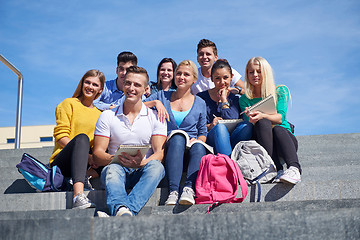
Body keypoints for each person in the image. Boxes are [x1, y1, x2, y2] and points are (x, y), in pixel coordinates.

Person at [93, 66, 167, 217]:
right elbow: (97, 154)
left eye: (137, 85)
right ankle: (123, 210)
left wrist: (140, 163)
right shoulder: (107, 115)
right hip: (116, 169)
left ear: (146, 89)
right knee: (112, 170)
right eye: (128, 83)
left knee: (157, 167)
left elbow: (159, 153)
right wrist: (117, 159)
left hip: (142, 170)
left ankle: (124, 211)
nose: (131, 88)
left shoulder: (156, 117)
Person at [145, 60, 207, 206]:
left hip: (191, 149)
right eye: (178, 73)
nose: (181, 77)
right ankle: (173, 191)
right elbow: (136, 105)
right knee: (178, 137)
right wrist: (155, 103)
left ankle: (188, 189)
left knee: (199, 146)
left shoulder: (200, 102)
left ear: (194, 80)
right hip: (169, 146)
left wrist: (198, 140)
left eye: (186, 74)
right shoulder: (162, 96)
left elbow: (203, 131)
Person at [239, 57, 302, 184]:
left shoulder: (280, 91)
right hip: (263, 142)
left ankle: (294, 168)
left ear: (266, 72)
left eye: (259, 71)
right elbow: (251, 126)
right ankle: (275, 169)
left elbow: (280, 118)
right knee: (262, 123)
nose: (255, 75)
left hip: (284, 140)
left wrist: (262, 115)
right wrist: (250, 118)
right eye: (251, 72)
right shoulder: (244, 99)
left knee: (277, 129)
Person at [50, 69, 105, 209]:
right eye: (87, 82)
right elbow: (61, 137)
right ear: (82, 84)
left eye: (94, 85)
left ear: (100, 89)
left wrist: (93, 158)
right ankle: (78, 196)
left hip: (87, 163)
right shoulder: (69, 104)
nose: (90, 87)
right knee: (82, 139)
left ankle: (84, 176)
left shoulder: (101, 114)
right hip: (64, 161)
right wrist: (87, 156)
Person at [198, 59, 253, 156]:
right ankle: (229, 165)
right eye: (217, 78)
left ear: (231, 77)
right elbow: (196, 125)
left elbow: (231, 119)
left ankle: (230, 158)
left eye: (225, 78)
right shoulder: (201, 98)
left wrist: (224, 100)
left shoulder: (235, 99)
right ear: (212, 79)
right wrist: (210, 125)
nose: (222, 82)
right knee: (220, 128)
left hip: (232, 138)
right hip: (212, 138)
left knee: (247, 126)